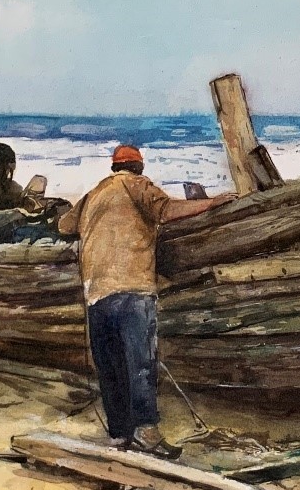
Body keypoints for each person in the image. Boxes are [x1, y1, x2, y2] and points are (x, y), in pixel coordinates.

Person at [57, 144, 236, 458]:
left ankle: (119, 434)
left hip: (97, 294)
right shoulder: (137, 185)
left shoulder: (94, 194)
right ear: (138, 167)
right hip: (132, 289)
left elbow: (64, 226)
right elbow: (166, 210)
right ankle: (146, 432)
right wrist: (212, 203)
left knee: (111, 367)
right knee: (140, 364)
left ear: (114, 167)